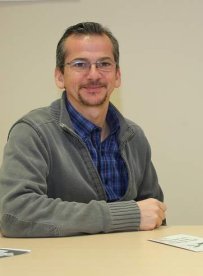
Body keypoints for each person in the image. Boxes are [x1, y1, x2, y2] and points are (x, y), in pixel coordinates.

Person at [0, 22, 166, 237]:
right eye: (80, 64)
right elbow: (15, 214)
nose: (93, 75)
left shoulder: (134, 137)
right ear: (60, 76)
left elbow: (153, 213)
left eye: (104, 64)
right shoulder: (33, 133)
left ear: (117, 75)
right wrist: (123, 215)